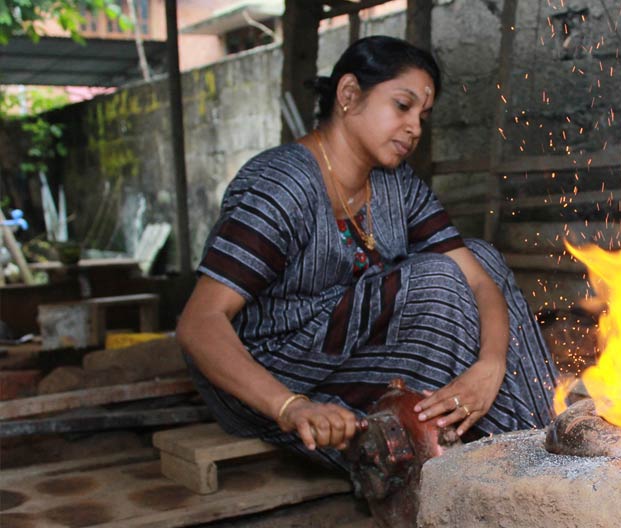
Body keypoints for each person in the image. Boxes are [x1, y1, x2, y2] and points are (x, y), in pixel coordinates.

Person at [176, 36, 559, 470]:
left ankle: (538, 445)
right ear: (348, 95)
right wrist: (292, 407)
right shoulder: (282, 185)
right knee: (436, 278)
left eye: (423, 115)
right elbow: (199, 323)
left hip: (350, 363)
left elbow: (479, 279)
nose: (415, 127)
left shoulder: (397, 186)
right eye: (402, 105)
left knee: (480, 256)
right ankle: (492, 462)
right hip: (277, 387)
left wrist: (490, 365)